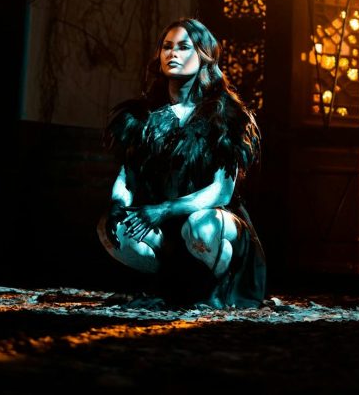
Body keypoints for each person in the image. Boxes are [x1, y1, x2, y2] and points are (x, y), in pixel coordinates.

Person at [96, 18, 266, 308]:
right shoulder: (144, 116)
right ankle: (172, 286)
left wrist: (165, 209)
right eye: (167, 47)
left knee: (201, 225)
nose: (172, 53)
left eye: (184, 47)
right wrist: (117, 205)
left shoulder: (224, 115)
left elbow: (220, 192)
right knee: (112, 227)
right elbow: (128, 175)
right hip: (167, 229)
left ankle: (215, 292)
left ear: (203, 55)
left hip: (214, 225)